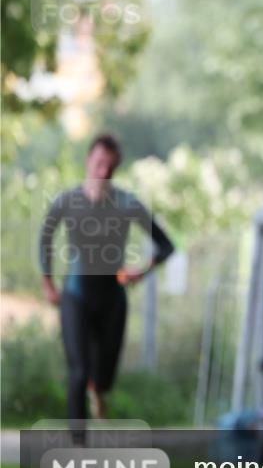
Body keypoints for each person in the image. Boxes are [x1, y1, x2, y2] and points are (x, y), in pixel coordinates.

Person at [38, 133, 175, 441]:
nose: (103, 172)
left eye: (110, 167)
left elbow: (166, 245)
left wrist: (142, 271)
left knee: (103, 377)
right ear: (89, 160)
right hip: (75, 296)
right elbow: (45, 238)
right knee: (78, 372)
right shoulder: (67, 201)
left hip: (112, 300)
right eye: (99, 164)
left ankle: (98, 391)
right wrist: (47, 281)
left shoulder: (127, 203)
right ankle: (78, 446)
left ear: (116, 169)